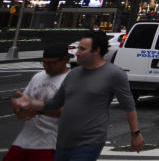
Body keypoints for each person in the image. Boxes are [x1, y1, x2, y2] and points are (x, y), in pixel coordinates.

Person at [11, 31, 145, 160]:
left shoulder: (114, 74)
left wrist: (136, 133)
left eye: (82, 49)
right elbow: (54, 103)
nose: (77, 53)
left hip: (89, 142)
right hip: (63, 142)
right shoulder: (73, 74)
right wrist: (31, 103)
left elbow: (128, 106)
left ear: (96, 50)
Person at [5, 45, 70, 161]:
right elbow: (24, 102)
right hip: (23, 140)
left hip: (50, 143)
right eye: (44, 63)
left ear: (65, 60)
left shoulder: (70, 79)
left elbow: (67, 112)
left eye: (51, 63)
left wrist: (37, 111)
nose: (47, 67)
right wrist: (19, 111)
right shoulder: (38, 76)